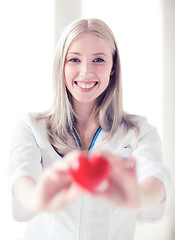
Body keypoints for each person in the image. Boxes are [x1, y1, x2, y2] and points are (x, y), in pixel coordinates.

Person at [8, 18, 171, 240]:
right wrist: (37, 197)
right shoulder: (30, 128)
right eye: (74, 59)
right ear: (61, 65)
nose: (86, 71)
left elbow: (155, 178)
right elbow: (20, 177)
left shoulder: (139, 131)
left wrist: (140, 196)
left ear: (113, 68)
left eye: (98, 60)